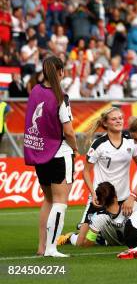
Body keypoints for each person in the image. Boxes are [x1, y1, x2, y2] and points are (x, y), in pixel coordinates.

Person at [58, 107, 137, 247]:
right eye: (114, 119)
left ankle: (102, 238)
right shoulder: (99, 145)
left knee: (131, 236)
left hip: (124, 199)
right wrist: (93, 194)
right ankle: (71, 237)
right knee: (82, 243)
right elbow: (85, 172)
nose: (118, 121)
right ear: (105, 123)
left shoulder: (130, 140)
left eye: (120, 118)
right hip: (102, 199)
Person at [23, 56, 78, 257]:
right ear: (61, 72)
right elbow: (69, 132)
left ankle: (42, 247)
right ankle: (52, 248)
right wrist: (76, 148)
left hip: (40, 153)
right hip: (58, 151)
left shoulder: (35, 91)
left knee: (48, 200)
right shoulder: (61, 96)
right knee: (60, 201)